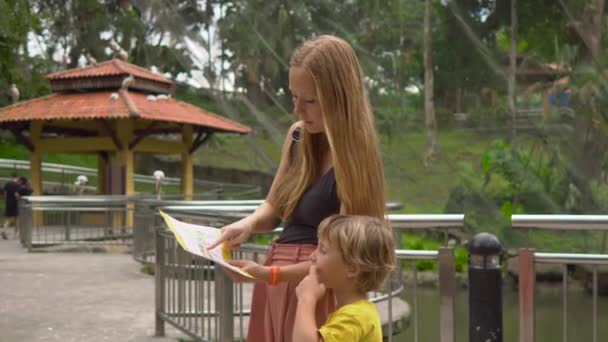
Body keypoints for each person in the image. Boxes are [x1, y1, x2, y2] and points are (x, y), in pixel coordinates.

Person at [207, 34, 386, 342]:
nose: (298, 110)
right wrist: (246, 225)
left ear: (338, 96)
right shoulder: (298, 138)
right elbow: (274, 205)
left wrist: (270, 274)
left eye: (310, 100)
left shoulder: (357, 155)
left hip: (316, 284)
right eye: (294, 97)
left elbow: (346, 255)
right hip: (277, 276)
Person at [293, 215, 395, 342]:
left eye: (323, 251)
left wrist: (306, 299)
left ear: (352, 269)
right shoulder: (355, 312)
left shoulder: (354, 317)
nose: (312, 256)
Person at [2, 173, 21, 240]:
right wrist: (19, 199)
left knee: (8, 219)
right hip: (15, 204)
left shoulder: (7, 184)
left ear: (12, 177)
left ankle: (4, 230)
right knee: (17, 219)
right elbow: (16, 194)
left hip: (8, 203)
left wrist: (6, 200)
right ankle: (16, 235)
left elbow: (5, 193)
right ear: (17, 177)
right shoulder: (17, 185)